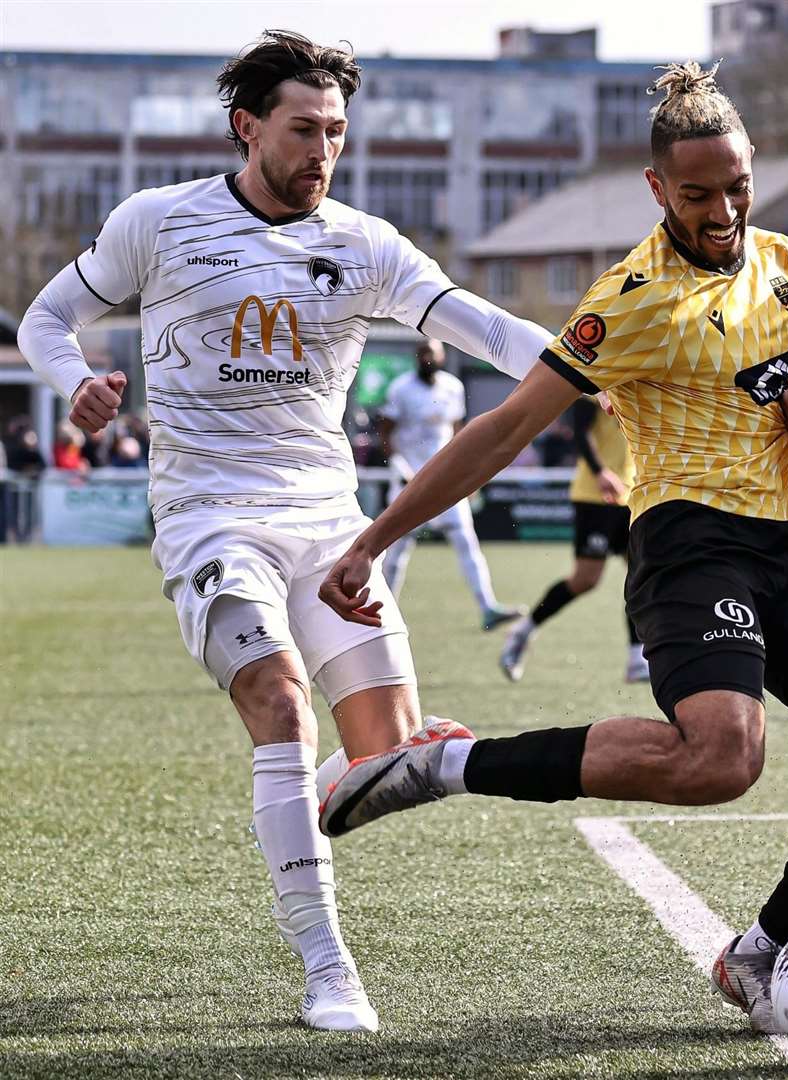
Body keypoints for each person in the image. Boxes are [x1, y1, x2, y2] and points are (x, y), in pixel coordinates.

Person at [315, 60, 788, 1032]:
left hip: (786, 552)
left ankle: (757, 954)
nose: (721, 210)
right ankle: (445, 763)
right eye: (697, 194)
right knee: (721, 761)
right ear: (657, 188)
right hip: (686, 543)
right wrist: (374, 539)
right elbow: (501, 429)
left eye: (736, 187)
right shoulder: (625, 300)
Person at [17, 30, 552, 1032]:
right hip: (210, 517)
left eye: (336, 134)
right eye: (303, 129)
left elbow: (480, 326)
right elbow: (42, 323)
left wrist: (584, 362)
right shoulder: (158, 222)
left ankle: (312, 797)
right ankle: (328, 971)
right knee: (277, 700)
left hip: (328, 525)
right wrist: (74, 382)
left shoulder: (363, 243)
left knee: (386, 764)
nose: (322, 151)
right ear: (247, 127)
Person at [499, 393, 648, 683]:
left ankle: (636, 659)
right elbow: (579, 433)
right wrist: (600, 471)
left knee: (641, 575)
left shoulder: (642, 385)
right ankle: (524, 629)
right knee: (585, 580)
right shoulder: (595, 391)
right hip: (594, 496)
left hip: (631, 496)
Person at [379, 339, 524, 629]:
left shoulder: (452, 387)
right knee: (396, 550)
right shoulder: (400, 389)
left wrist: (467, 474)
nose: (429, 360)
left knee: (467, 543)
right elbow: (385, 434)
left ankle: (488, 608)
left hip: (446, 480)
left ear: (442, 357)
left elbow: (458, 433)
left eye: (434, 355)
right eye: (424, 355)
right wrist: (400, 467)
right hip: (411, 480)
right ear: (417, 356)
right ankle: (382, 611)